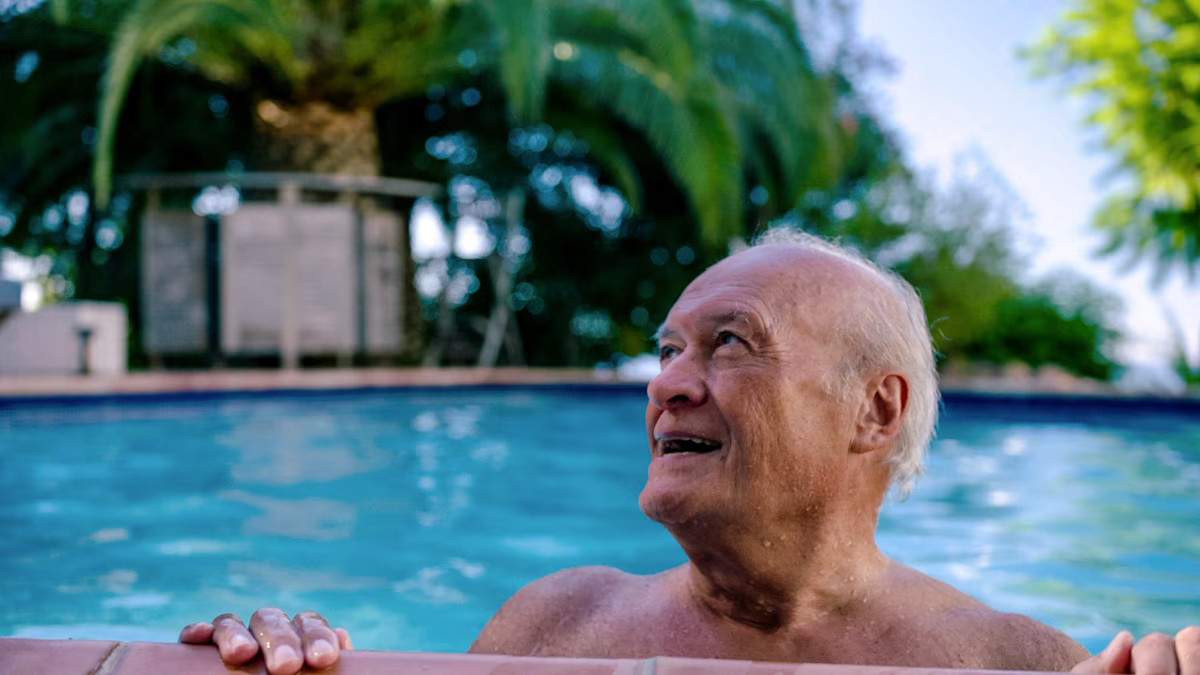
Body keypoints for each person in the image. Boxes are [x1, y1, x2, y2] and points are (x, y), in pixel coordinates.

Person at [180, 231, 1200, 675]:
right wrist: (289, 658)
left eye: (732, 345)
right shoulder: (554, 622)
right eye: (668, 347)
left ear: (874, 413)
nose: (667, 380)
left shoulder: (1016, 663)